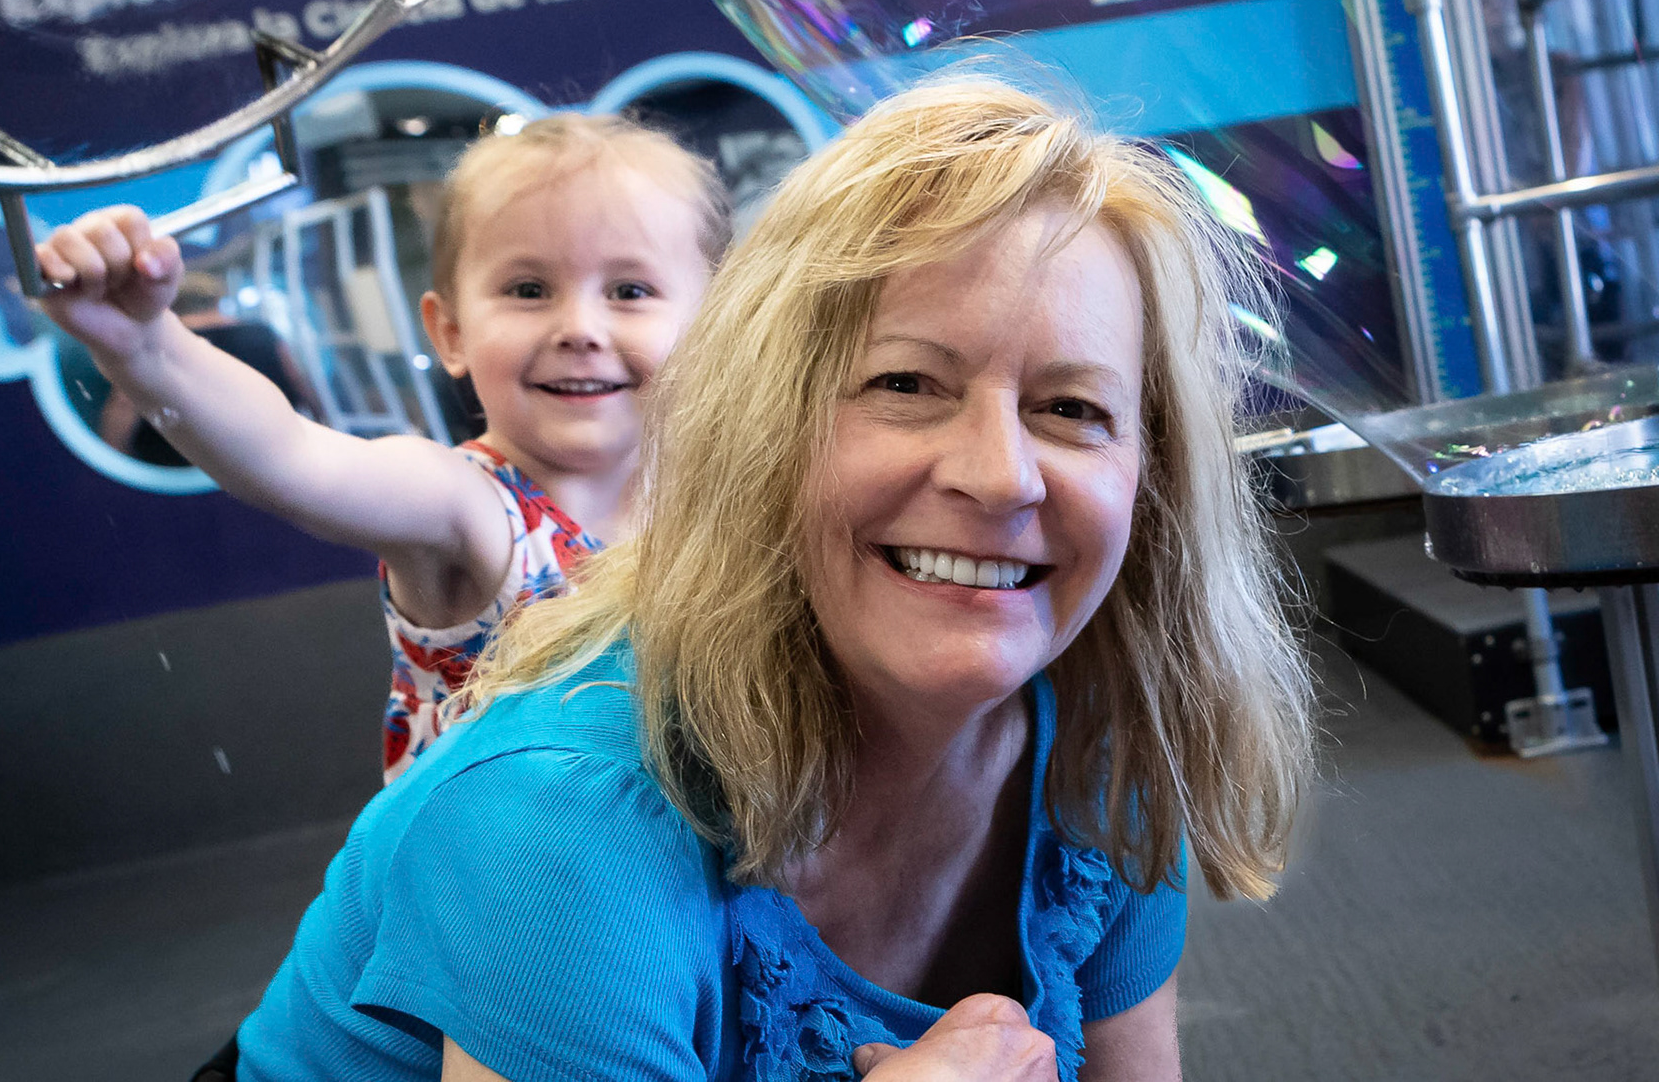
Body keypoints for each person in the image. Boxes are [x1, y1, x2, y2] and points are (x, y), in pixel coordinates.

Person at [232, 78, 1317, 1082]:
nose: (999, 474)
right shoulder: (560, 821)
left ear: (1152, 477)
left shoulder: (1109, 738)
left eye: (1073, 408)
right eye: (907, 383)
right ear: (768, 432)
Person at [35, 113, 731, 780]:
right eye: (528, 289)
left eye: (630, 290)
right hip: (503, 890)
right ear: (451, 332)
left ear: (717, 323)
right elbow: (291, 457)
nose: (580, 326)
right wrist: (148, 347)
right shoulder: (469, 507)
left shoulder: (728, 505)